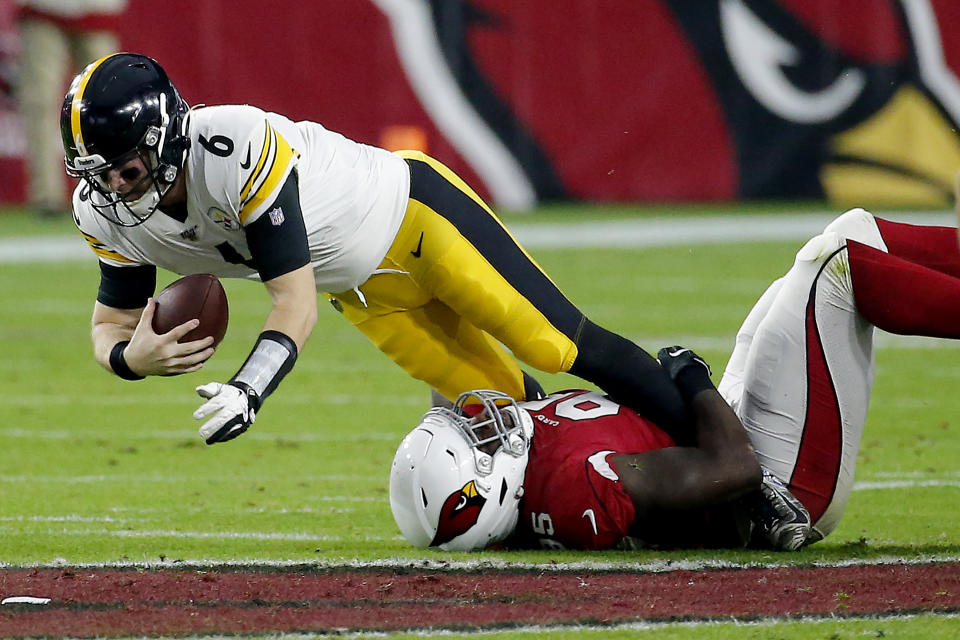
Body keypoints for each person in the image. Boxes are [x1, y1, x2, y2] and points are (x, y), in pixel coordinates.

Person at [60, 52, 690, 446]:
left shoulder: (236, 145)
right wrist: (128, 360)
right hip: (364, 295)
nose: (111, 186)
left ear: (165, 138)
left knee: (556, 343)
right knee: (502, 407)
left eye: (125, 169)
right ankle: (643, 481)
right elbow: (109, 322)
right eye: (96, 172)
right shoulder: (102, 211)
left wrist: (248, 390)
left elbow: (293, 302)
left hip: (417, 219)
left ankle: (727, 456)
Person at [390, 208, 960, 551]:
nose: (480, 421)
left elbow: (453, 376)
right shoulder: (577, 487)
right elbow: (735, 470)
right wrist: (689, 376)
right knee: (839, 265)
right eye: (476, 440)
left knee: (851, 231)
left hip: (729, 434)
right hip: (774, 480)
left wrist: (404, 274)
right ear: (487, 489)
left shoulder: (519, 473)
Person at [17, 0, 128, 218]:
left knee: (106, 101)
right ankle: (47, 197)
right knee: (41, 102)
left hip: (97, 9)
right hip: (42, 9)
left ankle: (115, 186)